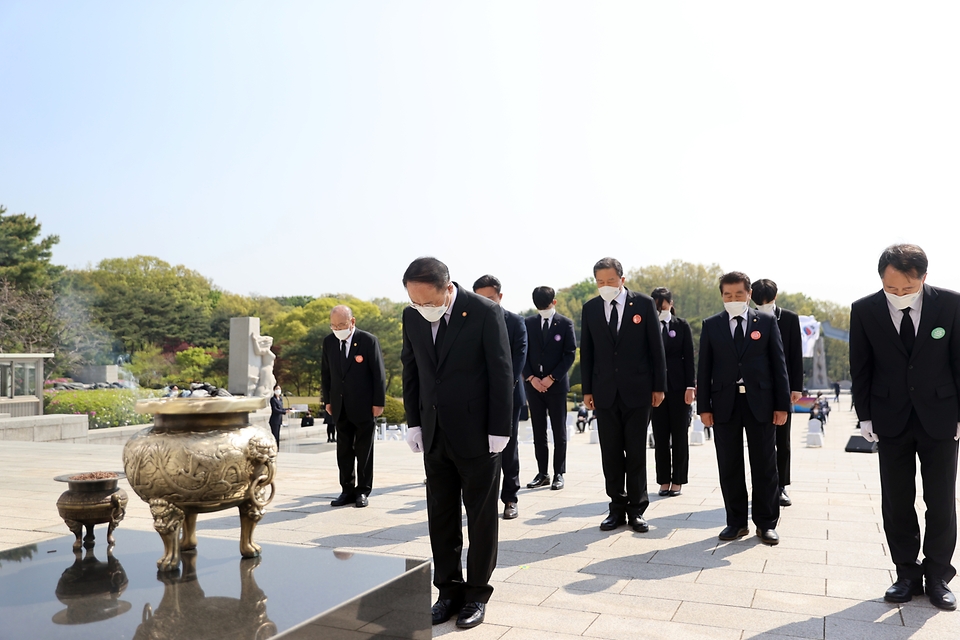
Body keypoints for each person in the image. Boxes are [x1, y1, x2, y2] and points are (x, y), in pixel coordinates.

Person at [400, 257, 513, 629]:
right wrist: (414, 422)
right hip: (434, 433)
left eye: (429, 302)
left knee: (481, 516)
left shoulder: (483, 312)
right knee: (441, 516)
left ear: (448, 289)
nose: (423, 309)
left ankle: (477, 594)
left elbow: (501, 371)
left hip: (478, 433)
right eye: (416, 302)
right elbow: (412, 370)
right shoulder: (412, 316)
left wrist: (500, 428)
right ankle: (447, 591)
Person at [850, 243, 960, 611]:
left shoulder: (951, 304)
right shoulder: (864, 310)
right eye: (891, 288)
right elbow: (861, 366)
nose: (898, 295)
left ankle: (939, 575)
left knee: (941, 501)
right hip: (889, 417)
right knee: (897, 501)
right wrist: (864, 415)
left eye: (906, 289)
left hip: (941, 417)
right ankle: (906, 574)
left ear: (923, 278)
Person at [697, 271, 790, 546]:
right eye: (728, 295)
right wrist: (704, 407)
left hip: (760, 402)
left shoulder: (767, 321)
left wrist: (782, 405)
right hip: (725, 403)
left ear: (748, 294)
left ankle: (766, 523)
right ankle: (736, 522)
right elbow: (704, 370)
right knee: (729, 464)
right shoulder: (712, 325)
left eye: (739, 294)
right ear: (722, 296)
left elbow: (779, 365)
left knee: (765, 464)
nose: (733, 299)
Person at [580, 257, 666, 533]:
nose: (605, 286)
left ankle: (637, 509)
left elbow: (656, 348)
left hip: (639, 391)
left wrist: (659, 386)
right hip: (604, 391)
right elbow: (588, 352)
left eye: (610, 281)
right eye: (600, 282)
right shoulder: (591, 308)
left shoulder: (642, 304)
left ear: (622, 279)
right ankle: (615, 507)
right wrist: (587, 390)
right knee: (611, 452)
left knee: (636, 451)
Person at [472, 275, 528, 521]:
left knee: (508, 447)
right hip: (477, 398)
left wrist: (501, 391)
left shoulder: (515, 322)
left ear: (500, 297)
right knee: (479, 450)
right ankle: (484, 500)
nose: (486, 303)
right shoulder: (469, 322)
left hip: (508, 397)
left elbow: (518, 361)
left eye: (490, 299)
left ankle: (510, 498)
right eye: (480, 299)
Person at [321, 305, 386, 509]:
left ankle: (363, 490)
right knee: (343, 450)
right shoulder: (329, 342)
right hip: (340, 406)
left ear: (352, 322)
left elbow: (378, 374)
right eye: (333, 325)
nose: (337, 328)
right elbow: (326, 373)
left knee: (364, 450)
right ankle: (346, 490)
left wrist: (378, 402)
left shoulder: (368, 341)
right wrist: (328, 401)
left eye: (341, 324)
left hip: (364, 406)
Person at [751, 279, 804, 508]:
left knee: (783, 439)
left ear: (776, 297)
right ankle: (761, 486)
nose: (763, 306)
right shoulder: (748, 317)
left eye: (768, 301)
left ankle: (781, 486)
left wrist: (796, 387)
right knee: (760, 441)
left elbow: (795, 354)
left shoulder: (789, 318)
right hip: (757, 388)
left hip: (782, 387)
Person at [522, 286, 577, 492]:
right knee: (538, 431)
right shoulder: (528, 323)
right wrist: (531, 377)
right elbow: (522, 352)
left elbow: (569, 354)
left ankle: (559, 473)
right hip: (534, 386)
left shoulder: (565, 324)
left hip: (556, 386)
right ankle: (542, 472)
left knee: (559, 431)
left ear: (554, 302)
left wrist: (552, 377)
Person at [650, 287, 696, 498]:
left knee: (679, 436)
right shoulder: (648, 326)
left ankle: (678, 479)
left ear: (670, 303)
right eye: (656, 305)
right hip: (656, 389)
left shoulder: (681, 325)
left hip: (678, 388)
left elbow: (689, 357)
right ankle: (663, 480)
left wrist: (690, 386)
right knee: (660, 437)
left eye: (663, 304)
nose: (660, 309)